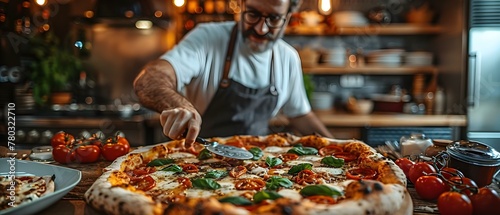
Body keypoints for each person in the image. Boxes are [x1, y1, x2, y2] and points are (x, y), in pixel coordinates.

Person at [133, 0, 333, 148]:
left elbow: (300, 114)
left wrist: (335, 147)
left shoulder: (288, 57)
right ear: (241, 6)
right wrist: (180, 106)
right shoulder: (207, 38)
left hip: (261, 167)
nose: (261, 28)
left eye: (273, 18)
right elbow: (149, 80)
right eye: (252, 14)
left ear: (288, 17)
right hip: (199, 160)